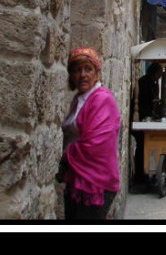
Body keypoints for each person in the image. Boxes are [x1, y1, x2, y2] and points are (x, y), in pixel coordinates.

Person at [57, 46, 121, 220]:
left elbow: (96, 145)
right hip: (77, 178)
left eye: (88, 69)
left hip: (95, 182)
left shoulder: (102, 99)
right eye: (77, 70)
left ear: (96, 73)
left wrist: (66, 155)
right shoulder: (79, 99)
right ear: (71, 75)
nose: (83, 75)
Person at [132, 62, 163, 187]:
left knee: (147, 146)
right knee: (142, 147)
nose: (160, 77)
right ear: (154, 73)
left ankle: (148, 173)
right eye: (159, 74)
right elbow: (144, 101)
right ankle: (141, 175)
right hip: (141, 118)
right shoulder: (144, 83)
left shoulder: (152, 83)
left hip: (146, 117)